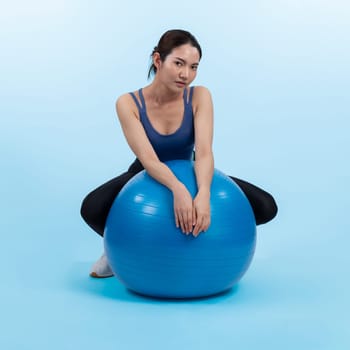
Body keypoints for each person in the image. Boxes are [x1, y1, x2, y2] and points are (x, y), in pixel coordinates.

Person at [80, 29, 278, 278]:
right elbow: (150, 159)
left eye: (194, 67)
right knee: (91, 207)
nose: (187, 74)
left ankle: (203, 249)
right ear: (157, 60)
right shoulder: (128, 103)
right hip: (145, 173)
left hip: (190, 169)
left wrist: (203, 193)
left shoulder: (199, 96)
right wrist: (178, 189)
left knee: (266, 206)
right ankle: (116, 251)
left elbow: (204, 152)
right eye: (178, 64)